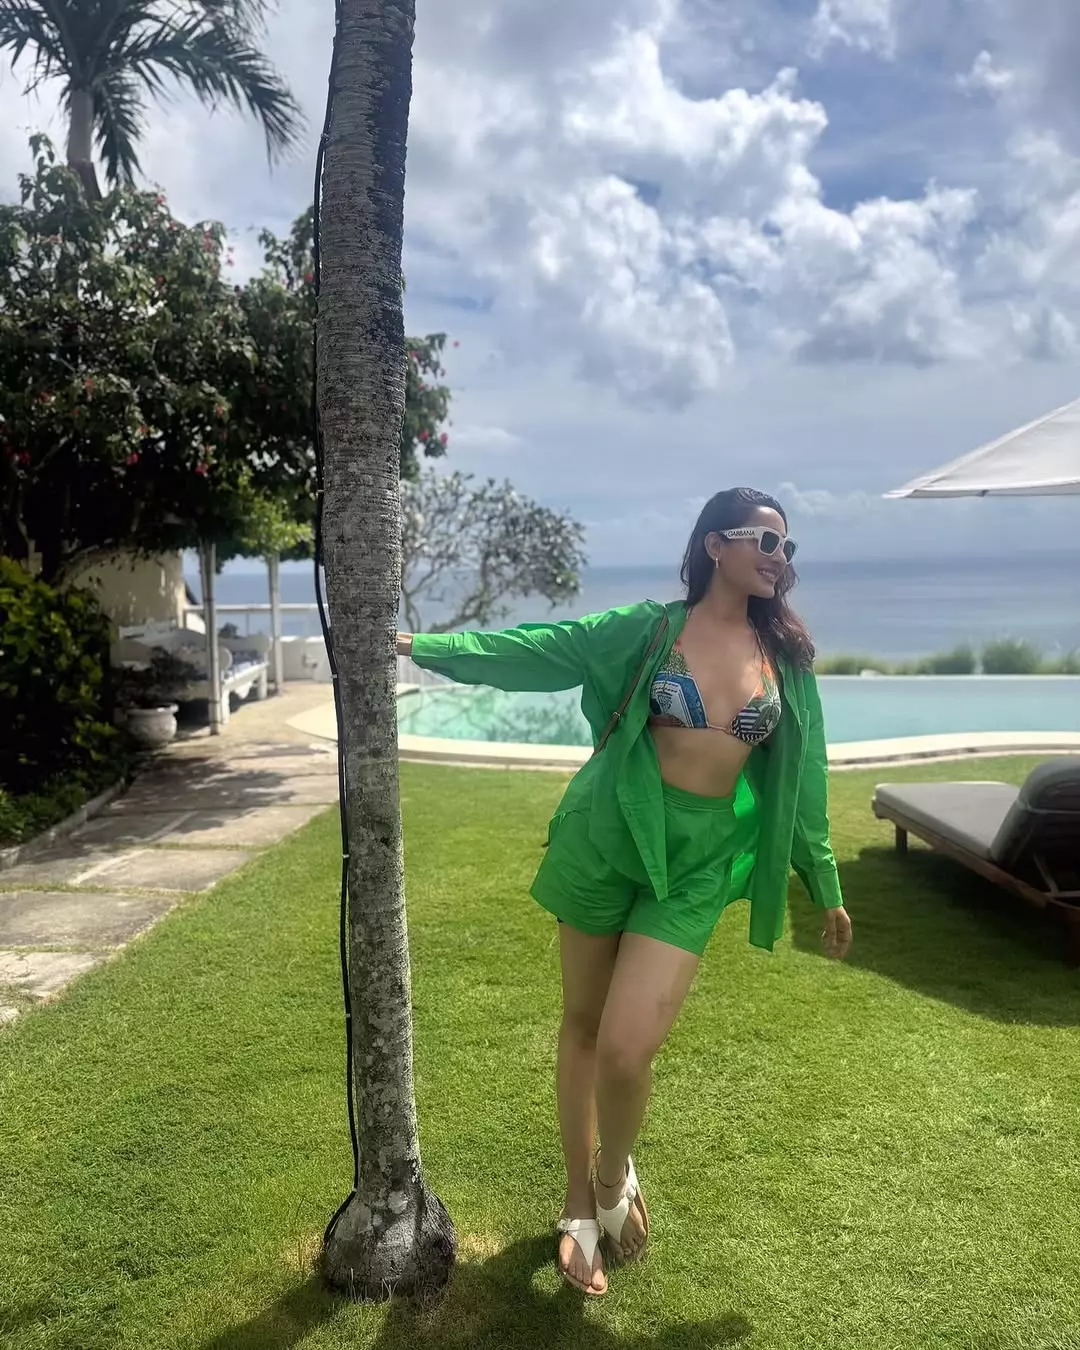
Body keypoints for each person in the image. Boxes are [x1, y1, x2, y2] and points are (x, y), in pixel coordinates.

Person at [396, 487, 852, 1297]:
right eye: (765, 542)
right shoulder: (651, 630)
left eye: (787, 548)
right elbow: (544, 649)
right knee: (582, 1024)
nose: (780, 559)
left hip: (698, 863)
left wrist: (823, 877)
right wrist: (418, 646)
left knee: (627, 1046)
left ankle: (614, 1176)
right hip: (608, 837)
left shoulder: (784, 656)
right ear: (715, 545)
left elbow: (806, 772)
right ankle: (578, 1201)